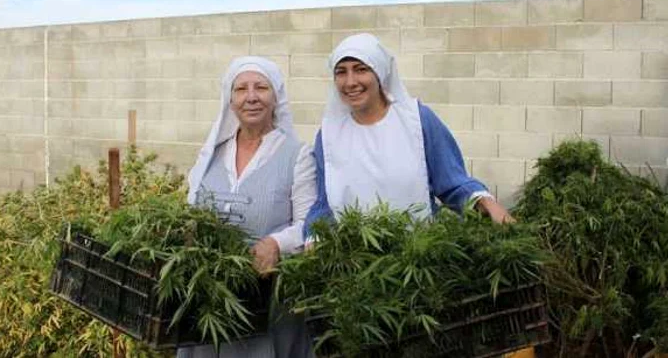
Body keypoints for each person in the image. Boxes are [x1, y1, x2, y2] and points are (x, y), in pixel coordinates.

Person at [304, 33, 513, 238]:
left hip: (418, 254)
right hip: (355, 261)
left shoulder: (417, 120)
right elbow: (325, 201)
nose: (350, 82)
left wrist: (486, 203)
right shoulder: (329, 135)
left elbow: (452, 181)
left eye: (361, 70)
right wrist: (314, 236)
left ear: (379, 73)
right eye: (341, 72)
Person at [181, 56, 315, 358]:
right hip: (210, 304)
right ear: (230, 100)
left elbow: (310, 225)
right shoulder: (212, 155)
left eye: (261, 88)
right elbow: (190, 214)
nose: (251, 97)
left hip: (268, 302)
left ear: (276, 96)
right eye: (241, 89)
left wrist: (276, 243)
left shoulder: (298, 156)